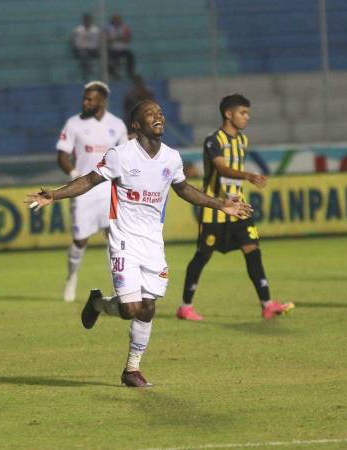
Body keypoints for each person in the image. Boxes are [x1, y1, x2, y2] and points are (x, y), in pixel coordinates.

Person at [27, 100, 251, 387]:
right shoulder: (121, 155)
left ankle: (131, 370)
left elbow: (184, 189)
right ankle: (97, 303)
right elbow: (89, 180)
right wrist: (55, 195)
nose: (158, 117)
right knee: (129, 309)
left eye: (160, 113)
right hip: (124, 240)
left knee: (147, 307)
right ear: (136, 125)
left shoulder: (171, 157)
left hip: (153, 244)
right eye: (150, 114)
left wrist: (220, 204)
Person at [176, 94, 294, 321]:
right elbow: (222, 169)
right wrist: (248, 175)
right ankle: (185, 307)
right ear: (228, 114)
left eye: (247, 113)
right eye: (243, 113)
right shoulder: (213, 140)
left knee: (253, 250)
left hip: (239, 208)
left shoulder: (242, 140)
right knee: (202, 256)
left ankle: (267, 304)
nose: (247, 117)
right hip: (215, 210)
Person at [57, 81, 128, 302]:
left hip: (108, 188)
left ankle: (119, 287)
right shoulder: (73, 123)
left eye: (90, 99)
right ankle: (72, 278)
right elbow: (62, 155)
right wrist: (73, 173)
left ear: (102, 101)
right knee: (80, 240)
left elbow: (126, 156)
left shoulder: (117, 125)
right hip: (83, 189)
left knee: (114, 239)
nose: (85, 102)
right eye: (84, 98)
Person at [71, 14, 101, 80]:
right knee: (84, 55)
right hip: (82, 49)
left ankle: (103, 72)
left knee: (103, 55)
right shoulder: (78, 30)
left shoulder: (95, 30)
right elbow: (75, 42)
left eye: (89, 20)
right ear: (84, 21)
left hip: (93, 49)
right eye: (86, 20)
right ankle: (88, 71)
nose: (87, 21)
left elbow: (98, 41)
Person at [107, 14, 135, 80]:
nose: (116, 21)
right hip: (113, 49)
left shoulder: (125, 27)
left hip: (123, 49)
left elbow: (128, 39)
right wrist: (120, 38)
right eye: (115, 19)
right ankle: (114, 74)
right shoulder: (108, 28)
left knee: (131, 55)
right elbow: (107, 40)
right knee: (110, 58)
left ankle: (130, 73)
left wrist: (115, 39)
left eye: (118, 19)